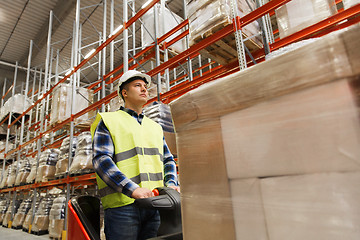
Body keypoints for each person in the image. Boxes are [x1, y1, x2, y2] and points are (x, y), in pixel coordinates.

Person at [91, 70, 179, 240]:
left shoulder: (154, 127)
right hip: (122, 206)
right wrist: (132, 189)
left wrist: (171, 184)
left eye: (145, 86)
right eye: (137, 86)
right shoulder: (109, 120)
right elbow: (101, 160)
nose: (144, 89)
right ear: (124, 93)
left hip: (155, 204)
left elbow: (168, 159)